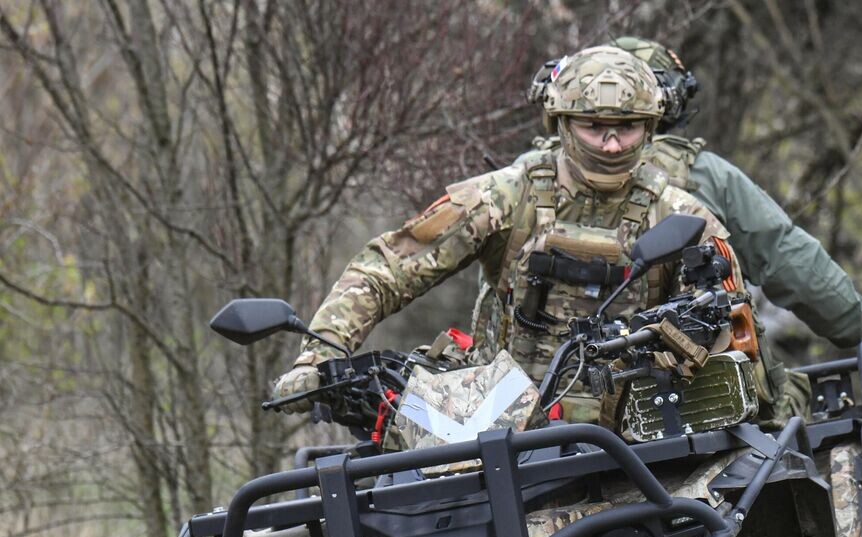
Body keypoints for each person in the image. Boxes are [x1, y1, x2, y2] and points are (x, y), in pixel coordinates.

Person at [271, 46, 750, 423]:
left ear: (650, 128)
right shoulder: (505, 197)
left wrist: (682, 344)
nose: (610, 143)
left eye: (626, 127)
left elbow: (731, 332)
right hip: (491, 426)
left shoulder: (684, 218)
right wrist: (317, 356)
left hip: (635, 439)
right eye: (594, 126)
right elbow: (388, 269)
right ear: (560, 123)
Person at [511, 36, 862, 415]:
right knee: (797, 399)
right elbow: (784, 256)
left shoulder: (532, 174)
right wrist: (861, 329)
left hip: (530, 396)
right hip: (670, 400)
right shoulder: (702, 174)